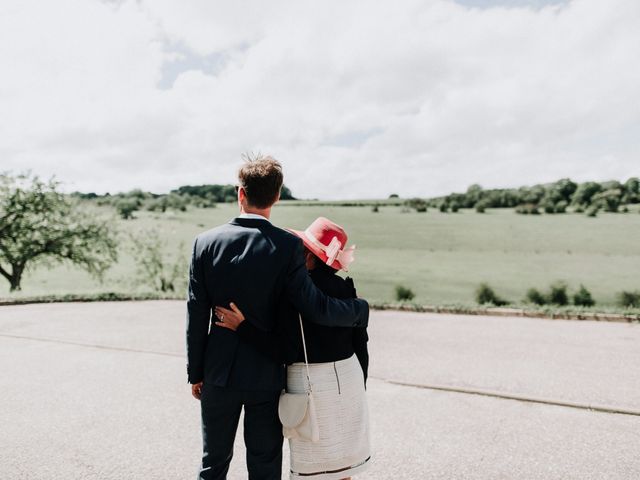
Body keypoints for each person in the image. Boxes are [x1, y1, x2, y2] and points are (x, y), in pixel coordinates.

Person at [186, 155, 369, 480]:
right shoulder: (287, 247)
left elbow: (196, 312)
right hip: (266, 376)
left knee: (212, 463)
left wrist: (196, 372)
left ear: (240, 193)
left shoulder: (205, 242)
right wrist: (360, 310)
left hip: (217, 373)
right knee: (264, 466)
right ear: (277, 195)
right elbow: (313, 306)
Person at [215, 217, 371, 480]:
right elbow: (361, 346)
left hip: (311, 383)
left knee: (314, 469)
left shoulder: (296, 294)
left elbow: (284, 351)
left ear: (309, 255)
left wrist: (243, 327)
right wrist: (359, 386)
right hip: (350, 379)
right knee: (343, 467)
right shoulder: (346, 289)